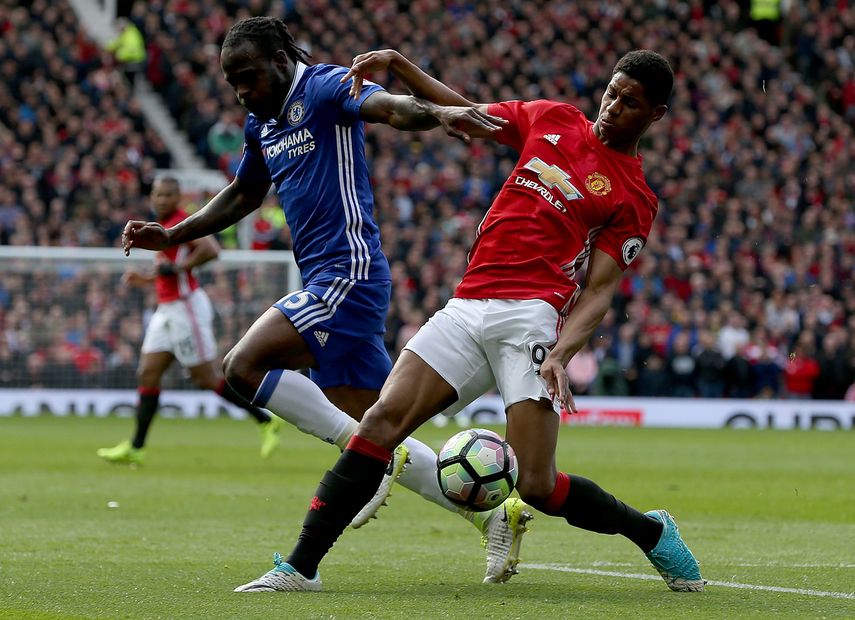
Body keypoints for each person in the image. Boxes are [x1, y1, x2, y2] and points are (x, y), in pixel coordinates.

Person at [236, 48, 705, 594]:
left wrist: (561, 354)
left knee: (536, 485)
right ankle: (300, 568)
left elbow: (599, 290)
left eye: (630, 103)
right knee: (379, 424)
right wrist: (400, 65)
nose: (612, 107)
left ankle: (651, 531)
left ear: (656, 114)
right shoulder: (552, 117)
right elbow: (469, 114)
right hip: (467, 303)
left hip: (531, 318)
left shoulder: (632, 194)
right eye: (611, 92)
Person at [121, 17, 530, 584]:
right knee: (379, 433)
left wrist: (434, 111)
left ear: (281, 60)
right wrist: (172, 234)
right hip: (328, 279)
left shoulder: (323, 85)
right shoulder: (261, 122)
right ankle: (493, 515)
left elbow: (388, 108)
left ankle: (310, 550)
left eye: (248, 76)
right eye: (232, 82)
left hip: (348, 275)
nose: (241, 91)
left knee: (242, 366)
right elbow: (244, 192)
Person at [98, 175, 284, 464]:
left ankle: (265, 420)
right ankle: (136, 447)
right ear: (151, 197)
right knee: (148, 373)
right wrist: (146, 279)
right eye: (158, 195)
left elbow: (211, 250)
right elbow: (168, 271)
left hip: (187, 309)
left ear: (178, 197)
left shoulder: (181, 221)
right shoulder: (159, 225)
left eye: (168, 195)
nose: (162, 200)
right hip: (166, 309)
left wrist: (178, 268)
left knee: (205, 378)